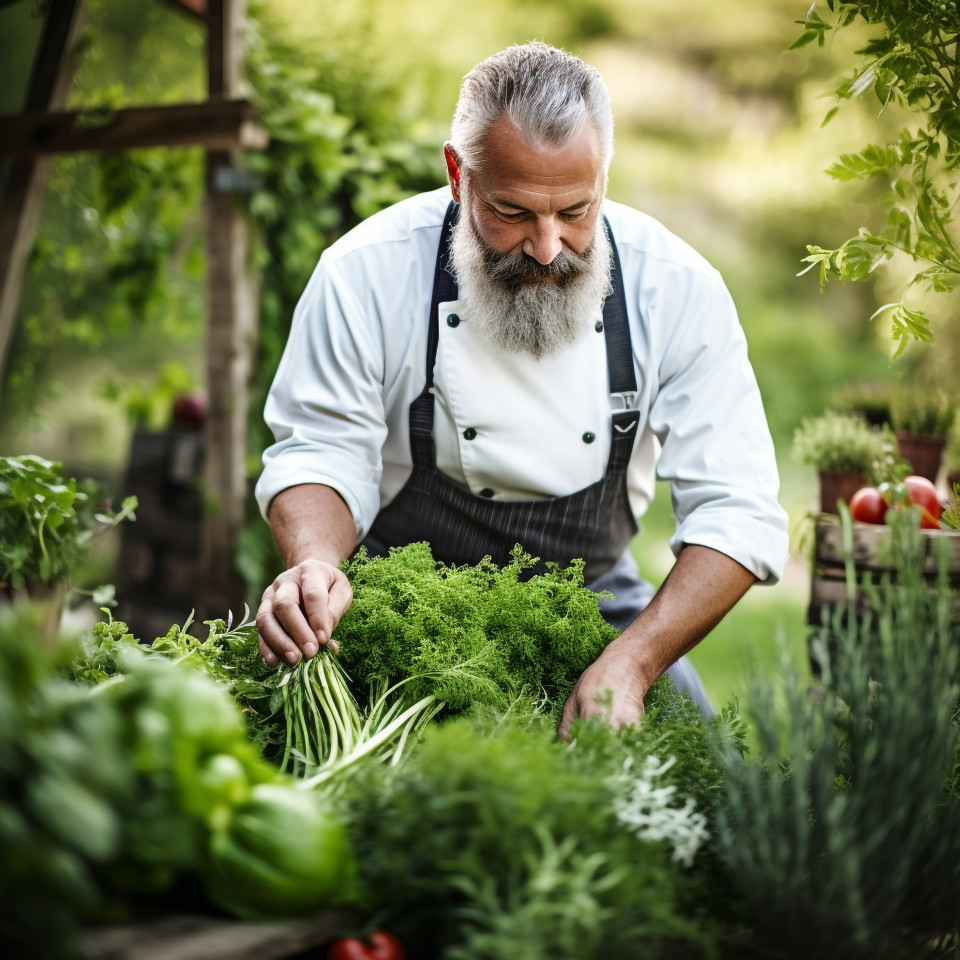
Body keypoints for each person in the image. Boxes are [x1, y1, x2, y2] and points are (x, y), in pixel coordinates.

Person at [254, 41, 789, 739]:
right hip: (395, 608)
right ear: (457, 174)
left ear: (604, 175)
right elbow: (320, 453)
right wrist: (316, 567)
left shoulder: (677, 288)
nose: (546, 246)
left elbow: (737, 511)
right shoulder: (366, 272)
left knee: (726, 816)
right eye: (511, 211)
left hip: (598, 611)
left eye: (575, 210)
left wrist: (633, 663)